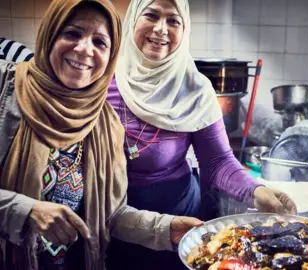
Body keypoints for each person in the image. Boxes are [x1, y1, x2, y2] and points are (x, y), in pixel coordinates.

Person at [0, 0, 197, 269]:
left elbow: (112, 216)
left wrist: (165, 228)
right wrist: (23, 211)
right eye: (72, 33)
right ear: (49, 34)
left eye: (100, 42)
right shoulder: (5, 88)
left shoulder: (105, 122)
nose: (84, 50)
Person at [105, 0, 297, 268]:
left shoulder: (195, 88)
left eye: (173, 21)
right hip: (114, 223)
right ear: (132, 20)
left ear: (184, 31)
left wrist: (257, 190)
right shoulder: (101, 81)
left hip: (181, 224)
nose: (161, 29)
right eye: (151, 15)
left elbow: (218, 162)